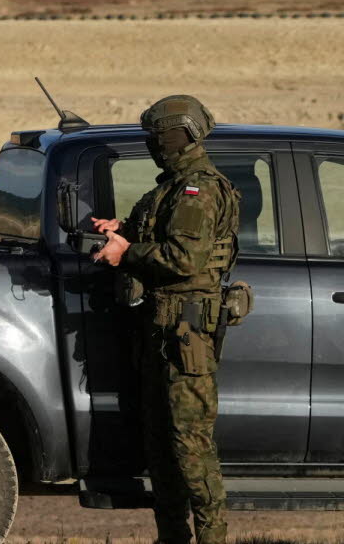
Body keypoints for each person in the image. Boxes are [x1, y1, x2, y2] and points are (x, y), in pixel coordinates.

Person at [90, 95, 240, 544]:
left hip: (187, 336)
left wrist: (126, 252)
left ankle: (212, 537)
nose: (154, 146)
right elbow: (158, 230)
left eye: (157, 139)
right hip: (161, 333)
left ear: (176, 137)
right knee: (160, 449)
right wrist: (120, 231)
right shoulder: (171, 188)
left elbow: (184, 258)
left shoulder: (199, 189)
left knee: (190, 448)